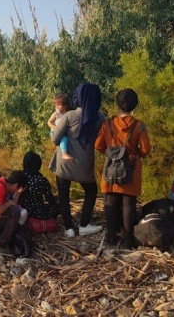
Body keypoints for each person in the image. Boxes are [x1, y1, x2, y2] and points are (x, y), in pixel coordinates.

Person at [95, 89, 152, 248]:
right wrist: (135, 155)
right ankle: (128, 241)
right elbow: (146, 149)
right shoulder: (139, 125)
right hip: (131, 169)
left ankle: (111, 238)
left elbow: (98, 145)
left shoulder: (107, 124)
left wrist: (111, 153)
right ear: (134, 105)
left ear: (117, 104)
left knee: (111, 203)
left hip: (111, 169)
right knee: (129, 204)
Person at [50, 82, 105, 238]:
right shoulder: (100, 117)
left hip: (64, 164)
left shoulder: (69, 115)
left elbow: (55, 140)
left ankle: (69, 229)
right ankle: (84, 224)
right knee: (91, 191)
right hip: (85, 164)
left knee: (63, 194)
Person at [20, 151, 60, 222]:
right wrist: (57, 199)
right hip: (39, 213)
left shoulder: (19, 177)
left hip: (22, 212)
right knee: (59, 207)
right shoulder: (42, 180)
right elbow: (50, 199)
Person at [47, 93, 73, 160]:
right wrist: (55, 127)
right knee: (64, 138)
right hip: (55, 132)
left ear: (65, 105)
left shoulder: (68, 114)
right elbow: (49, 122)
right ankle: (64, 153)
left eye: (58, 105)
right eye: (55, 105)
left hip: (63, 132)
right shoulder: (56, 114)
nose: (56, 107)